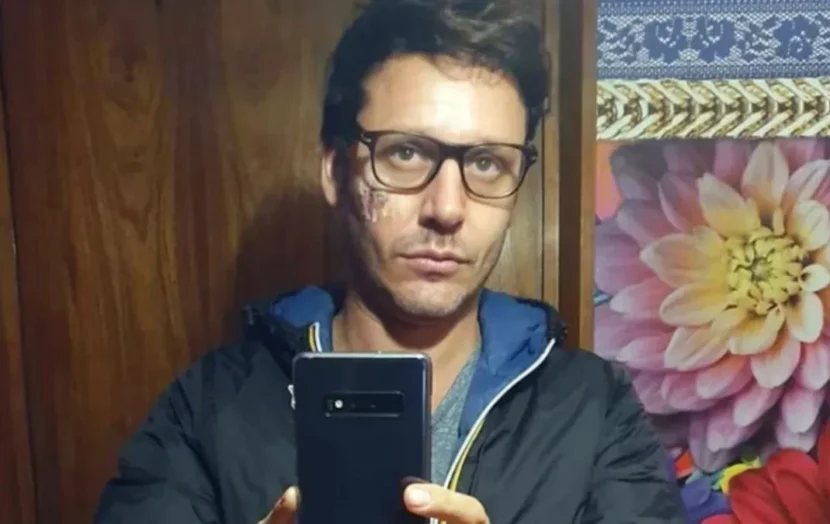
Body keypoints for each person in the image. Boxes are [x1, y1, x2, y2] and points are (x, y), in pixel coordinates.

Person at [94, 0, 685, 522]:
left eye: (486, 163)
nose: (446, 208)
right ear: (335, 171)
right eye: (405, 152)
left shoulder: (596, 410)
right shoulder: (207, 411)